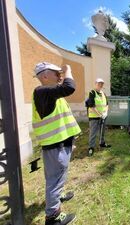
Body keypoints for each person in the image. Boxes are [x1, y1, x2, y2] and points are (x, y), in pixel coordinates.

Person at [32, 62, 81, 225]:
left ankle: (57, 197)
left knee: (56, 177)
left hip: (60, 143)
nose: (59, 75)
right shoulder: (42, 91)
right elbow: (69, 87)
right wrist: (68, 70)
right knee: (55, 178)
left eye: (60, 72)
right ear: (45, 76)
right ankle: (52, 217)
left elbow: (62, 119)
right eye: (56, 72)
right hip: (55, 146)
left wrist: (71, 140)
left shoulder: (49, 93)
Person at [87, 78, 111, 156]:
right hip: (94, 116)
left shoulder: (103, 93)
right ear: (95, 83)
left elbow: (107, 104)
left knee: (102, 131)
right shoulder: (92, 92)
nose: (100, 85)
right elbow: (91, 106)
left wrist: (106, 113)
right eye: (99, 83)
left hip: (103, 116)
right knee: (93, 132)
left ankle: (102, 143)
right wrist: (100, 115)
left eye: (102, 83)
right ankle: (91, 147)